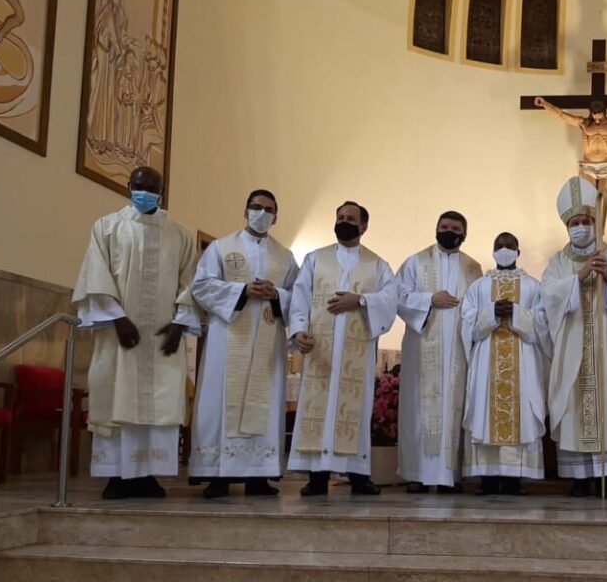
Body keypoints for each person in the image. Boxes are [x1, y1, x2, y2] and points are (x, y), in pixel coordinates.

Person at [71, 166, 199, 499]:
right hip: (119, 335)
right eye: (139, 186)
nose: (145, 192)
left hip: (162, 338)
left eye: (152, 188)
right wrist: (117, 318)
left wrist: (180, 324)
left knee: (159, 402)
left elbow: (190, 282)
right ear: (129, 187)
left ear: (161, 191)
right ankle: (117, 476)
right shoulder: (107, 227)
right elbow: (96, 275)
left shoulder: (180, 234)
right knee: (117, 396)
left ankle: (147, 476)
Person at [188, 189, 299, 499]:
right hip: (227, 338)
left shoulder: (285, 257)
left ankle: (258, 476)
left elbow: (300, 297)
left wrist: (277, 294)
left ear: (276, 218)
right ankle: (217, 476)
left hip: (267, 340)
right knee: (219, 401)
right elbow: (201, 286)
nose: (261, 213)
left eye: (268, 210)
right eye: (256, 207)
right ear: (245, 211)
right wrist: (242, 291)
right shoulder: (220, 248)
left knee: (265, 402)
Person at [541, 177, 607, 497]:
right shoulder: (557, 263)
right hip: (572, 347)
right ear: (567, 227)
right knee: (573, 407)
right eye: (575, 223)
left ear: (595, 223)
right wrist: (578, 278)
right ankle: (578, 477)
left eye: (586, 221)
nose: (581, 228)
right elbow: (548, 297)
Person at [288, 201, 398, 497]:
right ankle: (317, 477)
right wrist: (299, 330)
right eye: (340, 217)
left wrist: (360, 301)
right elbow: (300, 297)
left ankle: (359, 475)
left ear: (364, 226)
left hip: (356, 357)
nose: (344, 222)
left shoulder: (378, 265)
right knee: (318, 411)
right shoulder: (315, 259)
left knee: (355, 412)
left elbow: (391, 299)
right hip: (320, 351)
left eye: (351, 218)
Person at [397, 211, 483, 493]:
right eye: (444, 227)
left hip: (458, 351)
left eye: (455, 229)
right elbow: (398, 297)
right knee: (417, 410)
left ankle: (450, 475)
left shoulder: (473, 268)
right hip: (422, 351)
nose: (449, 232)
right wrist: (430, 299)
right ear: (436, 229)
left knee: (454, 411)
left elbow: (478, 305)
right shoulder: (415, 262)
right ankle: (418, 475)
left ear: (464, 234)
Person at [461, 232, 551, 495]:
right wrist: (491, 312)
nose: (503, 249)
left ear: (518, 252)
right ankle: (487, 479)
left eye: (509, 245)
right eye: (499, 245)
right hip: (487, 360)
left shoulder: (533, 286)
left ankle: (514, 479)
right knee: (484, 412)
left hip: (522, 359)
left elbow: (544, 322)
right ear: (492, 251)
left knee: (521, 413)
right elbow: (466, 321)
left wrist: (516, 313)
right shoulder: (479, 286)